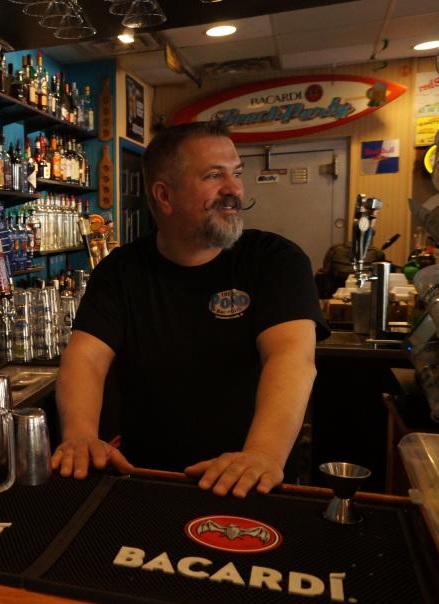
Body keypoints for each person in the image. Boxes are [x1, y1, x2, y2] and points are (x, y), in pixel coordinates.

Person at [50, 120, 329, 498]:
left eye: (236, 174)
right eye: (214, 176)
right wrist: (80, 436)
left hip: (250, 480)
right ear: (164, 196)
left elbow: (292, 358)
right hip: (148, 480)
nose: (233, 189)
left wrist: (263, 454)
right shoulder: (120, 270)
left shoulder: (276, 260)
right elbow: (85, 357)